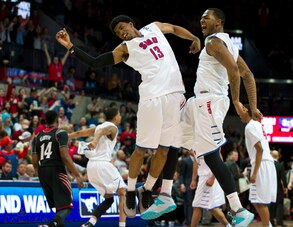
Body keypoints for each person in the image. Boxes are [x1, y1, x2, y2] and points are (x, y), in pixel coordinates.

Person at [55, 15, 201, 219]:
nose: (121, 33)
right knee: (142, 149)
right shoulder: (125, 49)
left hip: (175, 94)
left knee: (164, 149)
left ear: (132, 24)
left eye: (123, 28)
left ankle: (148, 189)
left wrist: (194, 37)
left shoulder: (153, 28)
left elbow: (175, 28)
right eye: (117, 33)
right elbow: (96, 62)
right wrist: (71, 47)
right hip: (152, 98)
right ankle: (131, 190)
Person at [169, 8, 262, 226]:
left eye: (206, 18)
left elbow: (234, 71)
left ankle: (238, 209)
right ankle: (163, 193)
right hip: (199, 101)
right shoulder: (227, 44)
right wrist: (254, 107)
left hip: (210, 101)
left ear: (218, 22)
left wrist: (239, 102)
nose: (201, 20)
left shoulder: (213, 42)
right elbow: (247, 75)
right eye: (200, 17)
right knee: (171, 134)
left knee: (211, 156)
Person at [68, 107, 127, 227]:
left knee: (109, 198)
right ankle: (122, 225)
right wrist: (95, 141)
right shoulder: (113, 127)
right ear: (115, 117)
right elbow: (103, 132)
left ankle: (90, 223)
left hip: (91, 168)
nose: (120, 117)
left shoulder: (98, 127)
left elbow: (81, 133)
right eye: (119, 115)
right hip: (103, 165)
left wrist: (67, 135)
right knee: (123, 194)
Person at [31, 110, 83, 227]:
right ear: (57, 120)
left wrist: (40, 172)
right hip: (56, 170)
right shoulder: (60, 133)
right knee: (67, 207)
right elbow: (65, 156)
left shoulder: (37, 136)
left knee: (59, 208)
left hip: (42, 170)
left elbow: (34, 159)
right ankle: (49, 225)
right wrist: (77, 175)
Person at [238, 104, 277, 227]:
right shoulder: (257, 124)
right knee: (255, 200)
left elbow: (259, 150)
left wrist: (254, 173)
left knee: (260, 202)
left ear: (245, 110)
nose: (239, 116)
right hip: (265, 163)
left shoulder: (250, 127)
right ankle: (268, 225)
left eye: (240, 113)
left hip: (261, 164)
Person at [190, 153, 232, 227]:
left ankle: (228, 225)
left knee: (198, 206)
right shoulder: (195, 144)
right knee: (210, 207)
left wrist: (213, 178)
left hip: (210, 177)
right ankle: (228, 225)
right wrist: (193, 179)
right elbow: (196, 162)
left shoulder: (211, 142)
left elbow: (220, 160)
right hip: (202, 178)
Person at [269, 149, 288, 227]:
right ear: (278, 156)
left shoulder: (268, 165)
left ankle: (271, 222)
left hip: (269, 189)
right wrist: (286, 187)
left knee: (271, 206)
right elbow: (283, 178)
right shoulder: (280, 165)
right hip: (278, 189)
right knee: (279, 205)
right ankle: (279, 222)